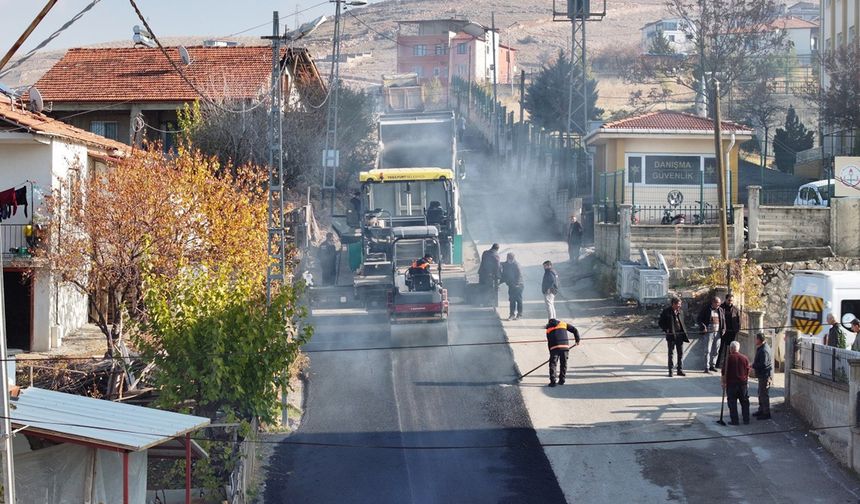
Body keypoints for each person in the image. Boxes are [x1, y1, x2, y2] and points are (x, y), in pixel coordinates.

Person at [721, 340, 751, 425]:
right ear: (738, 348)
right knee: (744, 402)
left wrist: (723, 383)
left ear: (731, 348)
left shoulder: (728, 358)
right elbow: (748, 371)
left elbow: (724, 372)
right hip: (743, 384)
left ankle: (735, 420)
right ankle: (746, 419)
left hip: (732, 384)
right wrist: (746, 380)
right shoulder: (745, 358)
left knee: (732, 402)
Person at [545, 318, 581, 387]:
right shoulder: (563, 324)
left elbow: (549, 342)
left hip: (554, 348)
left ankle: (553, 382)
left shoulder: (548, 329)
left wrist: (551, 353)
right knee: (563, 364)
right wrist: (577, 340)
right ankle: (562, 380)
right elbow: (574, 330)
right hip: (564, 347)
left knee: (553, 364)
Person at [659, 297, 690, 377]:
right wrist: (666, 329)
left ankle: (680, 370)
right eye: (678, 304)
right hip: (671, 335)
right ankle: (671, 371)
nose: (679, 306)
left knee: (680, 353)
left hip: (680, 335)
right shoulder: (666, 312)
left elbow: (682, 322)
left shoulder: (681, 312)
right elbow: (661, 322)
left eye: (680, 304)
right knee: (671, 354)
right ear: (673, 304)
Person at [698, 297, 726, 373]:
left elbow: (723, 320)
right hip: (708, 333)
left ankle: (712, 365)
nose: (718, 305)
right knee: (707, 350)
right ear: (713, 302)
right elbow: (699, 319)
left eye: (719, 303)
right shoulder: (706, 309)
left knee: (716, 350)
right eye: (717, 303)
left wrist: (723, 329)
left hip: (718, 333)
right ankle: (706, 367)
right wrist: (703, 327)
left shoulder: (720, 310)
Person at [716, 294, 741, 368]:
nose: (730, 302)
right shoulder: (720, 308)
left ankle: (729, 364)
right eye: (729, 300)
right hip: (722, 332)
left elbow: (739, 320)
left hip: (732, 332)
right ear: (726, 299)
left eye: (732, 300)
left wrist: (737, 329)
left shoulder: (735, 309)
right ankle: (717, 364)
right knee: (720, 348)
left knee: (731, 349)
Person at [752, 333, 773, 420]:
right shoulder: (762, 348)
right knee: (760, 393)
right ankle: (761, 410)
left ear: (759, 340)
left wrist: (753, 365)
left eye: (756, 339)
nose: (755, 340)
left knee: (764, 394)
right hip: (762, 375)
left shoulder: (764, 350)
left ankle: (766, 413)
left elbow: (763, 364)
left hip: (765, 375)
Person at [501, 253, 524, 320]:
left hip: (519, 285)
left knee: (518, 300)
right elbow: (504, 275)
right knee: (512, 300)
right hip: (511, 285)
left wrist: (517, 284)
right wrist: (499, 282)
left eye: (511, 259)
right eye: (509, 259)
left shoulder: (516, 265)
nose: (510, 260)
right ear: (507, 258)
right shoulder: (506, 264)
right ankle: (512, 315)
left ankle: (519, 315)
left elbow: (519, 275)